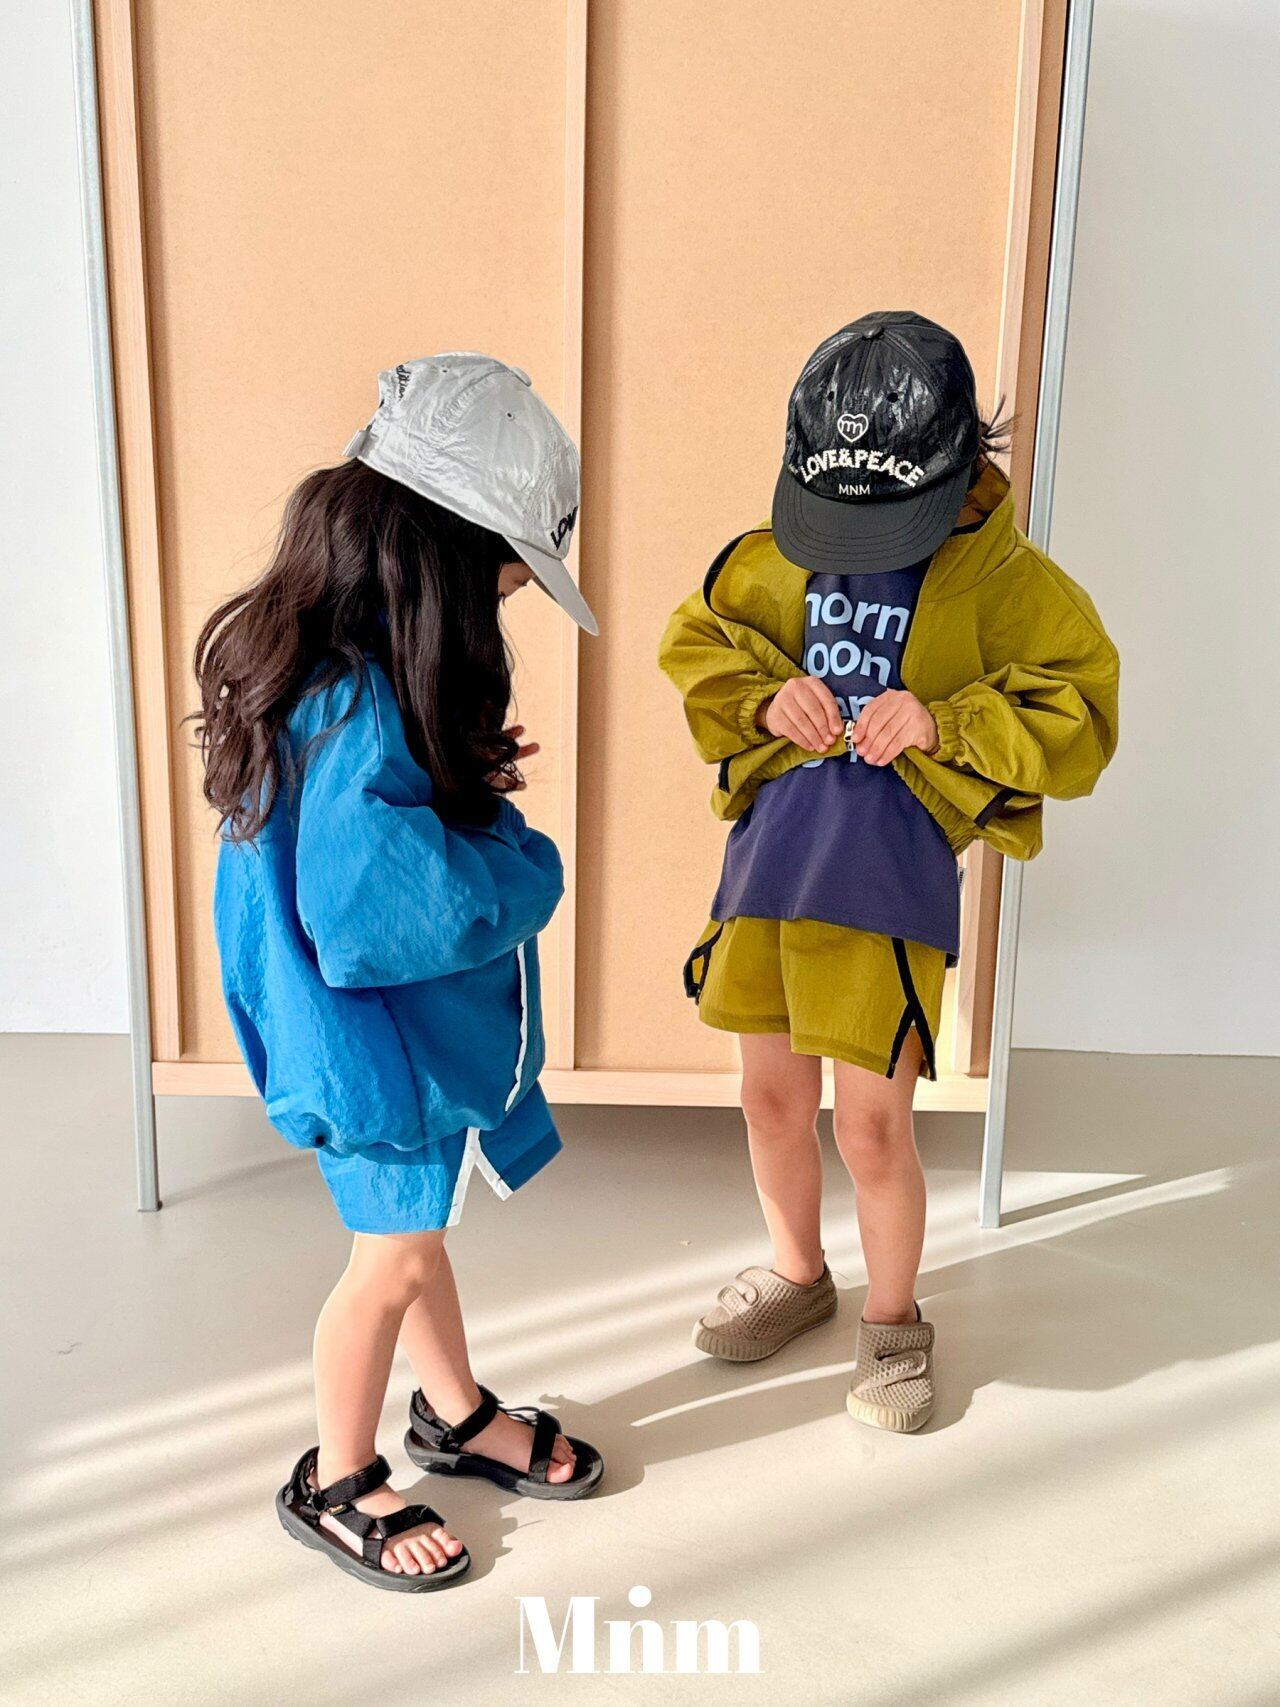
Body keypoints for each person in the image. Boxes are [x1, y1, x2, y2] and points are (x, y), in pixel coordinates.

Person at [659, 311, 1119, 1431]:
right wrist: (765, 698)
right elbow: (696, 641)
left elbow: (1078, 705)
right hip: (769, 869)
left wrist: (944, 720)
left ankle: (894, 1321)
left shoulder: (1008, 582)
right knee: (768, 1099)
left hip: (884, 888)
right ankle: (796, 1273)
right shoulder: (771, 553)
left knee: (871, 1127)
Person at [196, 355, 603, 1592]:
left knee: (417, 1232)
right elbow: (379, 906)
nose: (500, 609)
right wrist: (520, 864)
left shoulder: (342, 668)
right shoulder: (359, 698)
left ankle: (456, 1411)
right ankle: (337, 1477)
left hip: (365, 1031)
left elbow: (360, 839)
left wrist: (452, 771)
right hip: (376, 1045)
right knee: (388, 1263)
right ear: (443, 558)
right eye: (501, 581)